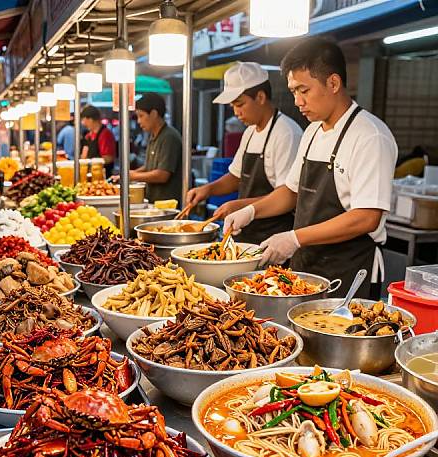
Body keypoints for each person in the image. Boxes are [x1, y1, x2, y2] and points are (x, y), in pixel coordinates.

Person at [224, 39, 398, 299]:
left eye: (303, 90)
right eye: (293, 91)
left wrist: (294, 238)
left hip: (349, 273)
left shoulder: (370, 136)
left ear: (333, 83)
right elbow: (290, 192)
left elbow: (366, 216)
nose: (297, 101)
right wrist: (250, 211)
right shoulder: (312, 131)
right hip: (306, 269)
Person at [186, 63, 302, 245]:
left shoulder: (286, 133)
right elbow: (235, 177)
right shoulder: (249, 132)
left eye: (240, 104)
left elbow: (287, 195)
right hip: (245, 233)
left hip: (272, 236)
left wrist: (241, 206)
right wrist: (207, 190)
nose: (236, 112)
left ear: (261, 97)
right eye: (233, 105)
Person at [124, 93, 182, 205]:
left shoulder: (169, 137)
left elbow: (162, 175)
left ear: (154, 114)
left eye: (141, 116)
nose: (139, 121)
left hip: (167, 205)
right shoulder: (153, 136)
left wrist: (131, 176)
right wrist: (131, 173)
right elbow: (149, 166)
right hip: (153, 201)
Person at [80, 105, 115, 177]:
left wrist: (92, 162)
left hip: (103, 175)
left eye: (83, 120)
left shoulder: (105, 134)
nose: (83, 123)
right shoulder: (88, 135)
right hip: (90, 174)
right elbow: (84, 156)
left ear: (90, 119)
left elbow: (109, 158)